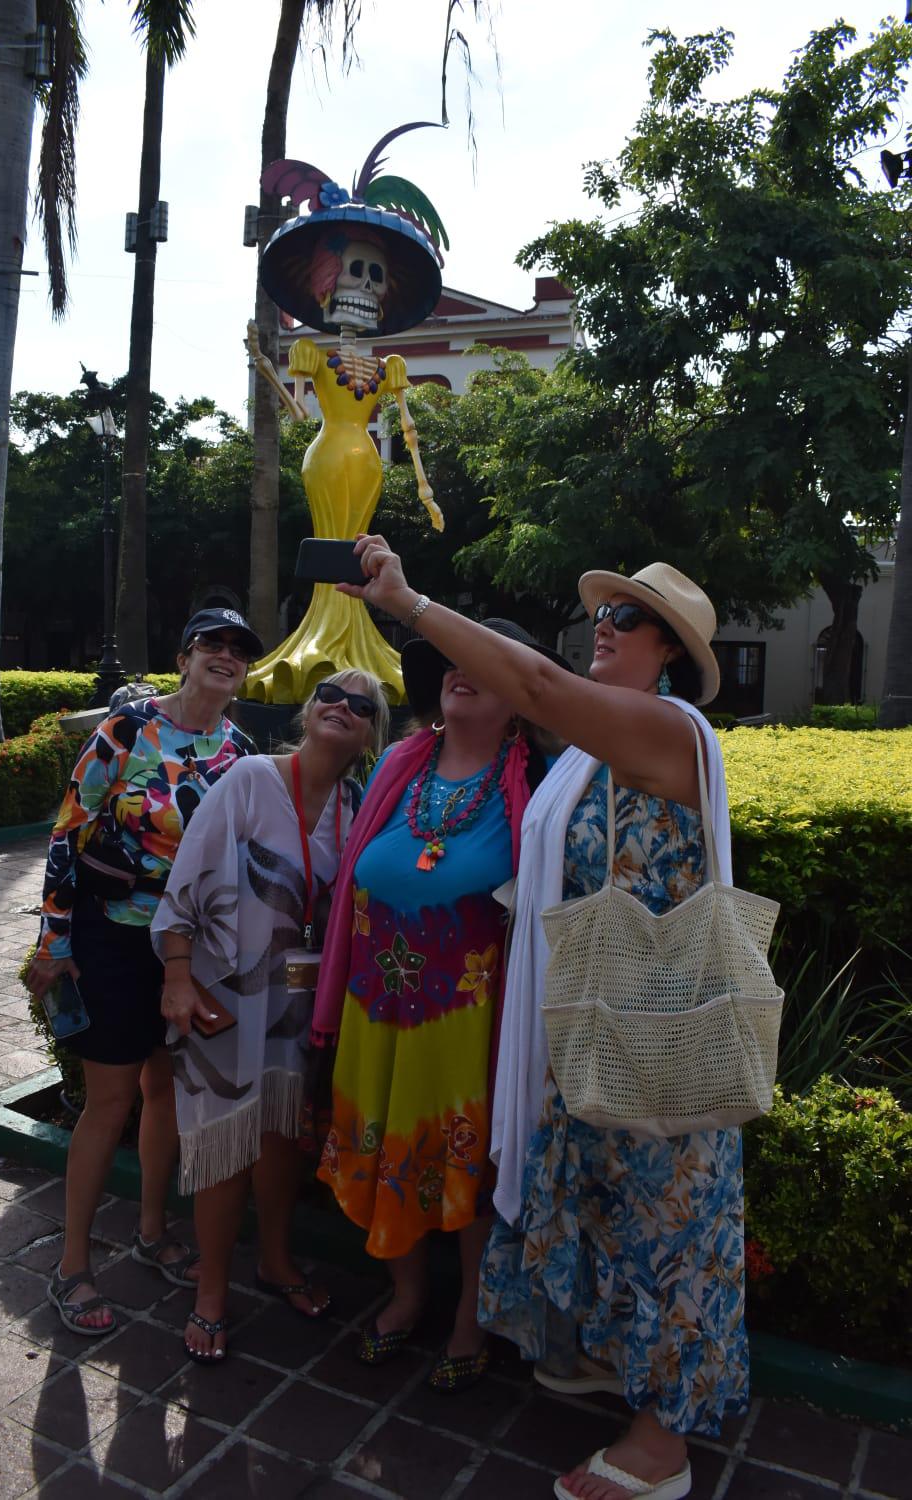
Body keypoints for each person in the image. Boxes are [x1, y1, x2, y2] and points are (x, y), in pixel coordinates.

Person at [336, 538, 744, 1500]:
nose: (603, 627)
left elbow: (536, 687)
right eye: (599, 615)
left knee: (667, 1222)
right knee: (613, 1202)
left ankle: (662, 1446)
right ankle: (620, 1371)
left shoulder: (666, 732)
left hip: (657, 1029)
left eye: (627, 619)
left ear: (671, 652)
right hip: (596, 1020)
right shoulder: (592, 757)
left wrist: (411, 604)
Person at [313, 621, 567, 1392]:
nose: (462, 672)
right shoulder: (397, 764)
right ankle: (408, 1294)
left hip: (467, 1026)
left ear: (518, 699)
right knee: (387, 1146)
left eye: (484, 666)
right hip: (375, 1012)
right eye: (453, 663)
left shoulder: (538, 789)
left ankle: (469, 1315)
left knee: (468, 1164)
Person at [26, 608, 263, 1337]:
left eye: (238, 650)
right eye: (212, 645)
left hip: (190, 951)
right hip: (115, 938)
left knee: (166, 1092)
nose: (225, 657)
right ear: (185, 655)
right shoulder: (126, 731)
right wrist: (53, 941)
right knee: (110, 1099)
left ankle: (154, 1231)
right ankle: (71, 1265)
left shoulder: (241, 752)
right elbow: (70, 832)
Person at [151, 669, 388, 1363]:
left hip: (299, 1008)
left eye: (361, 705)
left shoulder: (358, 804)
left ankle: (276, 1262)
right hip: (221, 995)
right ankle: (212, 1293)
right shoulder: (251, 778)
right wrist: (174, 976)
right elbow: (184, 881)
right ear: (309, 710)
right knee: (224, 1144)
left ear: (372, 732)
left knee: (284, 1138)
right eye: (330, 696)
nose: (341, 707)